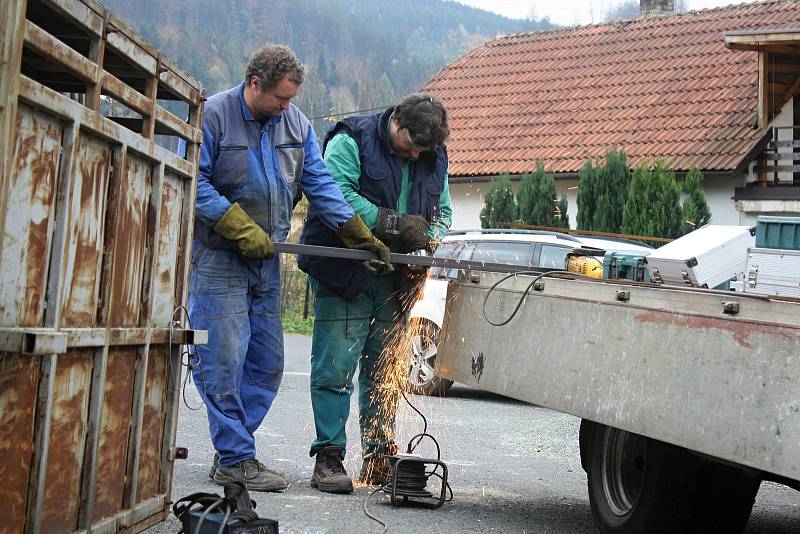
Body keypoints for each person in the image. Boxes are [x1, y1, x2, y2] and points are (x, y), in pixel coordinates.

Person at [189, 44, 391, 492]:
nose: (286, 107)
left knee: (266, 363)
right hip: (218, 260)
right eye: (280, 98)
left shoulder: (294, 124)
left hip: (266, 262)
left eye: (291, 99)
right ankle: (236, 456)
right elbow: (195, 183)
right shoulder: (216, 116)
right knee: (221, 362)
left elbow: (320, 185)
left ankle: (234, 451)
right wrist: (236, 224)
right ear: (254, 84)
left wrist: (358, 233)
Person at [298, 93, 452, 494]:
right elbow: (334, 194)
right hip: (345, 271)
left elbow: (444, 213)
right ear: (396, 121)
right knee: (335, 368)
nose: (416, 154)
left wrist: (428, 241)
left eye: (424, 149)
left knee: (384, 369)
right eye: (411, 144)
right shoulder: (352, 139)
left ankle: (379, 455)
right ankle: (328, 457)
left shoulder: (434, 156)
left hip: (395, 280)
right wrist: (392, 223)